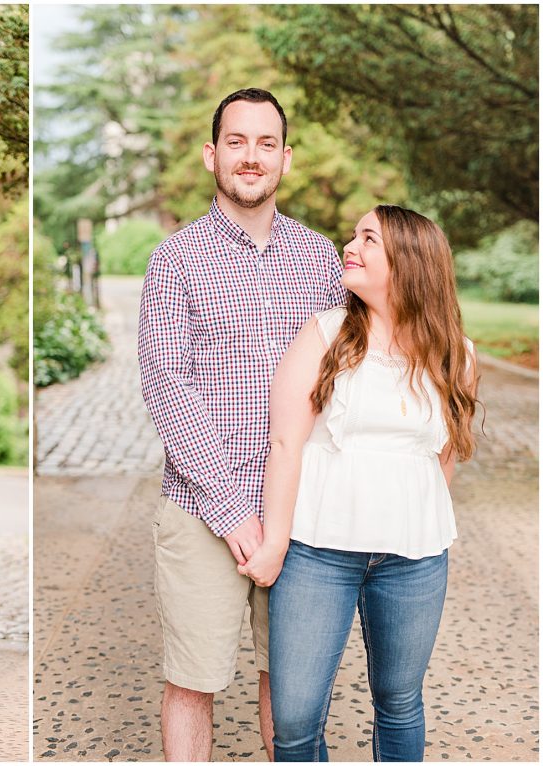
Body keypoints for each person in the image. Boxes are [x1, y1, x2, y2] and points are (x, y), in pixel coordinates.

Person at [138, 87, 346, 761]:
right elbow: (169, 385)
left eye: (265, 143)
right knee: (192, 682)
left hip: (303, 509)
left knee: (289, 686)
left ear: (285, 158)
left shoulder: (321, 260)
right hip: (202, 511)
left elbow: (344, 375)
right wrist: (233, 513)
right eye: (236, 142)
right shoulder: (175, 259)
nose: (250, 158)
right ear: (211, 155)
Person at [239, 205, 479, 761]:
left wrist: (417, 516)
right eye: (354, 235)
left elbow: (442, 456)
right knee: (295, 717)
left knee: (399, 700)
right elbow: (285, 444)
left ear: (409, 262)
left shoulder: (456, 355)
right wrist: (276, 542)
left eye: (368, 238)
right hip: (317, 552)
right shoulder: (324, 334)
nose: (349, 245)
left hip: (414, 559)